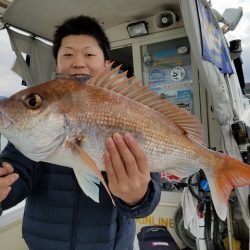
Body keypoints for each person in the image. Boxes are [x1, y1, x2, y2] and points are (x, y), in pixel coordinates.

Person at [0, 15, 161, 250]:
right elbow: (18, 171)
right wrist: (4, 185)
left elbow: (148, 198)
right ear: (56, 64)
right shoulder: (36, 122)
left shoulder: (130, 107)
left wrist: (137, 197)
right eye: (67, 54)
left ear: (106, 63)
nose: (77, 62)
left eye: (88, 54)